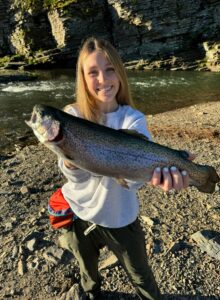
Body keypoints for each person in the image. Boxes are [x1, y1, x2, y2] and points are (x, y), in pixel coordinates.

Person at [57, 37, 192, 300]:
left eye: (109, 69)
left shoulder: (133, 118)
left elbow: (135, 180)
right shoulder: (72, 115)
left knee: (141, 276)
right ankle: (92, 293)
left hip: (121, 216)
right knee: (87, 271)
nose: (103, 79)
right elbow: (71, 174)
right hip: (79, 212)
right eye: (92, 72)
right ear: (82, 78)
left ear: (120, 72)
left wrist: (161, 176)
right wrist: (70, 160)